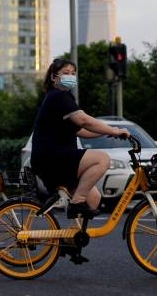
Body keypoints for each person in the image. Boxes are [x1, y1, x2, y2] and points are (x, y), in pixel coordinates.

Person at [30, 57, 131, 219]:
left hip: (49, 159)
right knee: (102, 159)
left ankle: (71, 240)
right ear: (53, 77)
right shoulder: (59, 96)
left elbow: (82, 131)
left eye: (73, 73)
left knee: (93, 198)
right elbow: (84, 120)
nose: (70, 76)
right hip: (52, 157)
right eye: (66, 73)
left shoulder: (58, 98)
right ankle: (77, 202)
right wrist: (113, 131)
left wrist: (110, 131)